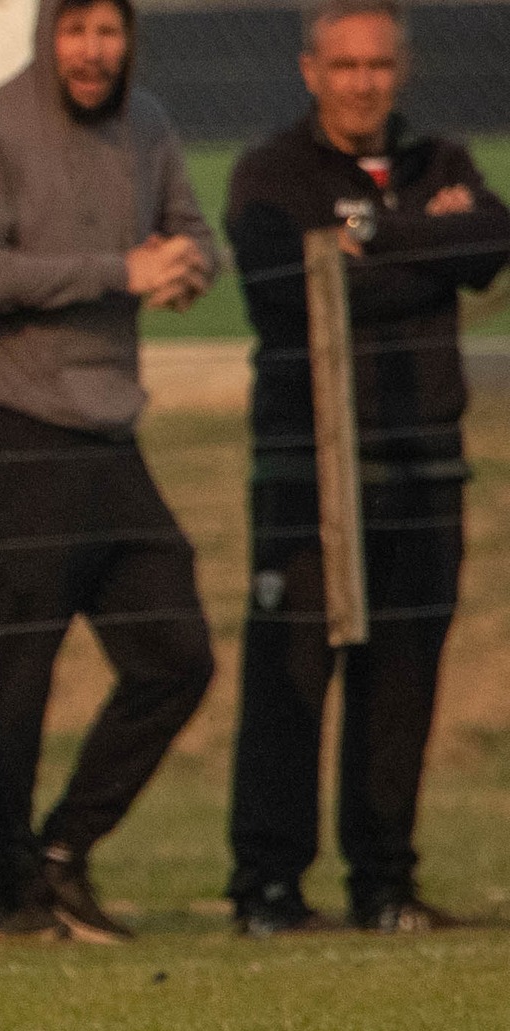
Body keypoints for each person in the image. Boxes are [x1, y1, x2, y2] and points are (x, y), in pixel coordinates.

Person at [222, 0, 508, 936]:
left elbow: (492, 243)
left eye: (379, 65)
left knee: (404, 681)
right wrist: (430, 242)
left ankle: (385, 884)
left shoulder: (443, 162)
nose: (363, 83)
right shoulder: (271, 173)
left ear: (404, 70)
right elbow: (282, 296)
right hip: (306, 467)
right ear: (310, 70)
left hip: (424, 464)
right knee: (292, 675)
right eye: (344, 66)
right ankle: (267, 887)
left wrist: (374, 242)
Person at [0, 0, 218, 942]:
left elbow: (191, 233)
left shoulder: (149, 124)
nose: (94, 51)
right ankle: (16, 893)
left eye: (110, 32)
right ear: (47, 34)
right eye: (77, 30)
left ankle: (63, 852)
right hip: (11, 435)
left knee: (177, 654)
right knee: (13, 681)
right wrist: (119, 272)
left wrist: (187, 268)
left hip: (110, 436)